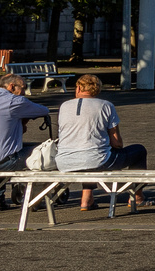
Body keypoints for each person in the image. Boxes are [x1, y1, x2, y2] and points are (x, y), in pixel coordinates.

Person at [58, 74, 147, 210]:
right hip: (96, 160)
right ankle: (137, 196)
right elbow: (116, 142)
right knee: (139, 151)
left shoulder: (64, 106)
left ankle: (86, 199)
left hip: (64, 161)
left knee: (87, 156)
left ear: (79, 87)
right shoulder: (105, 105)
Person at [0, 72, 51, 209]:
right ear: (12, 86)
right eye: (22, 88)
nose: (24, 92)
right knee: (42, 153)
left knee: (4, 149)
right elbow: (43, 110)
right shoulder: (15, 101)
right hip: (3, 162)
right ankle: (33, 199)